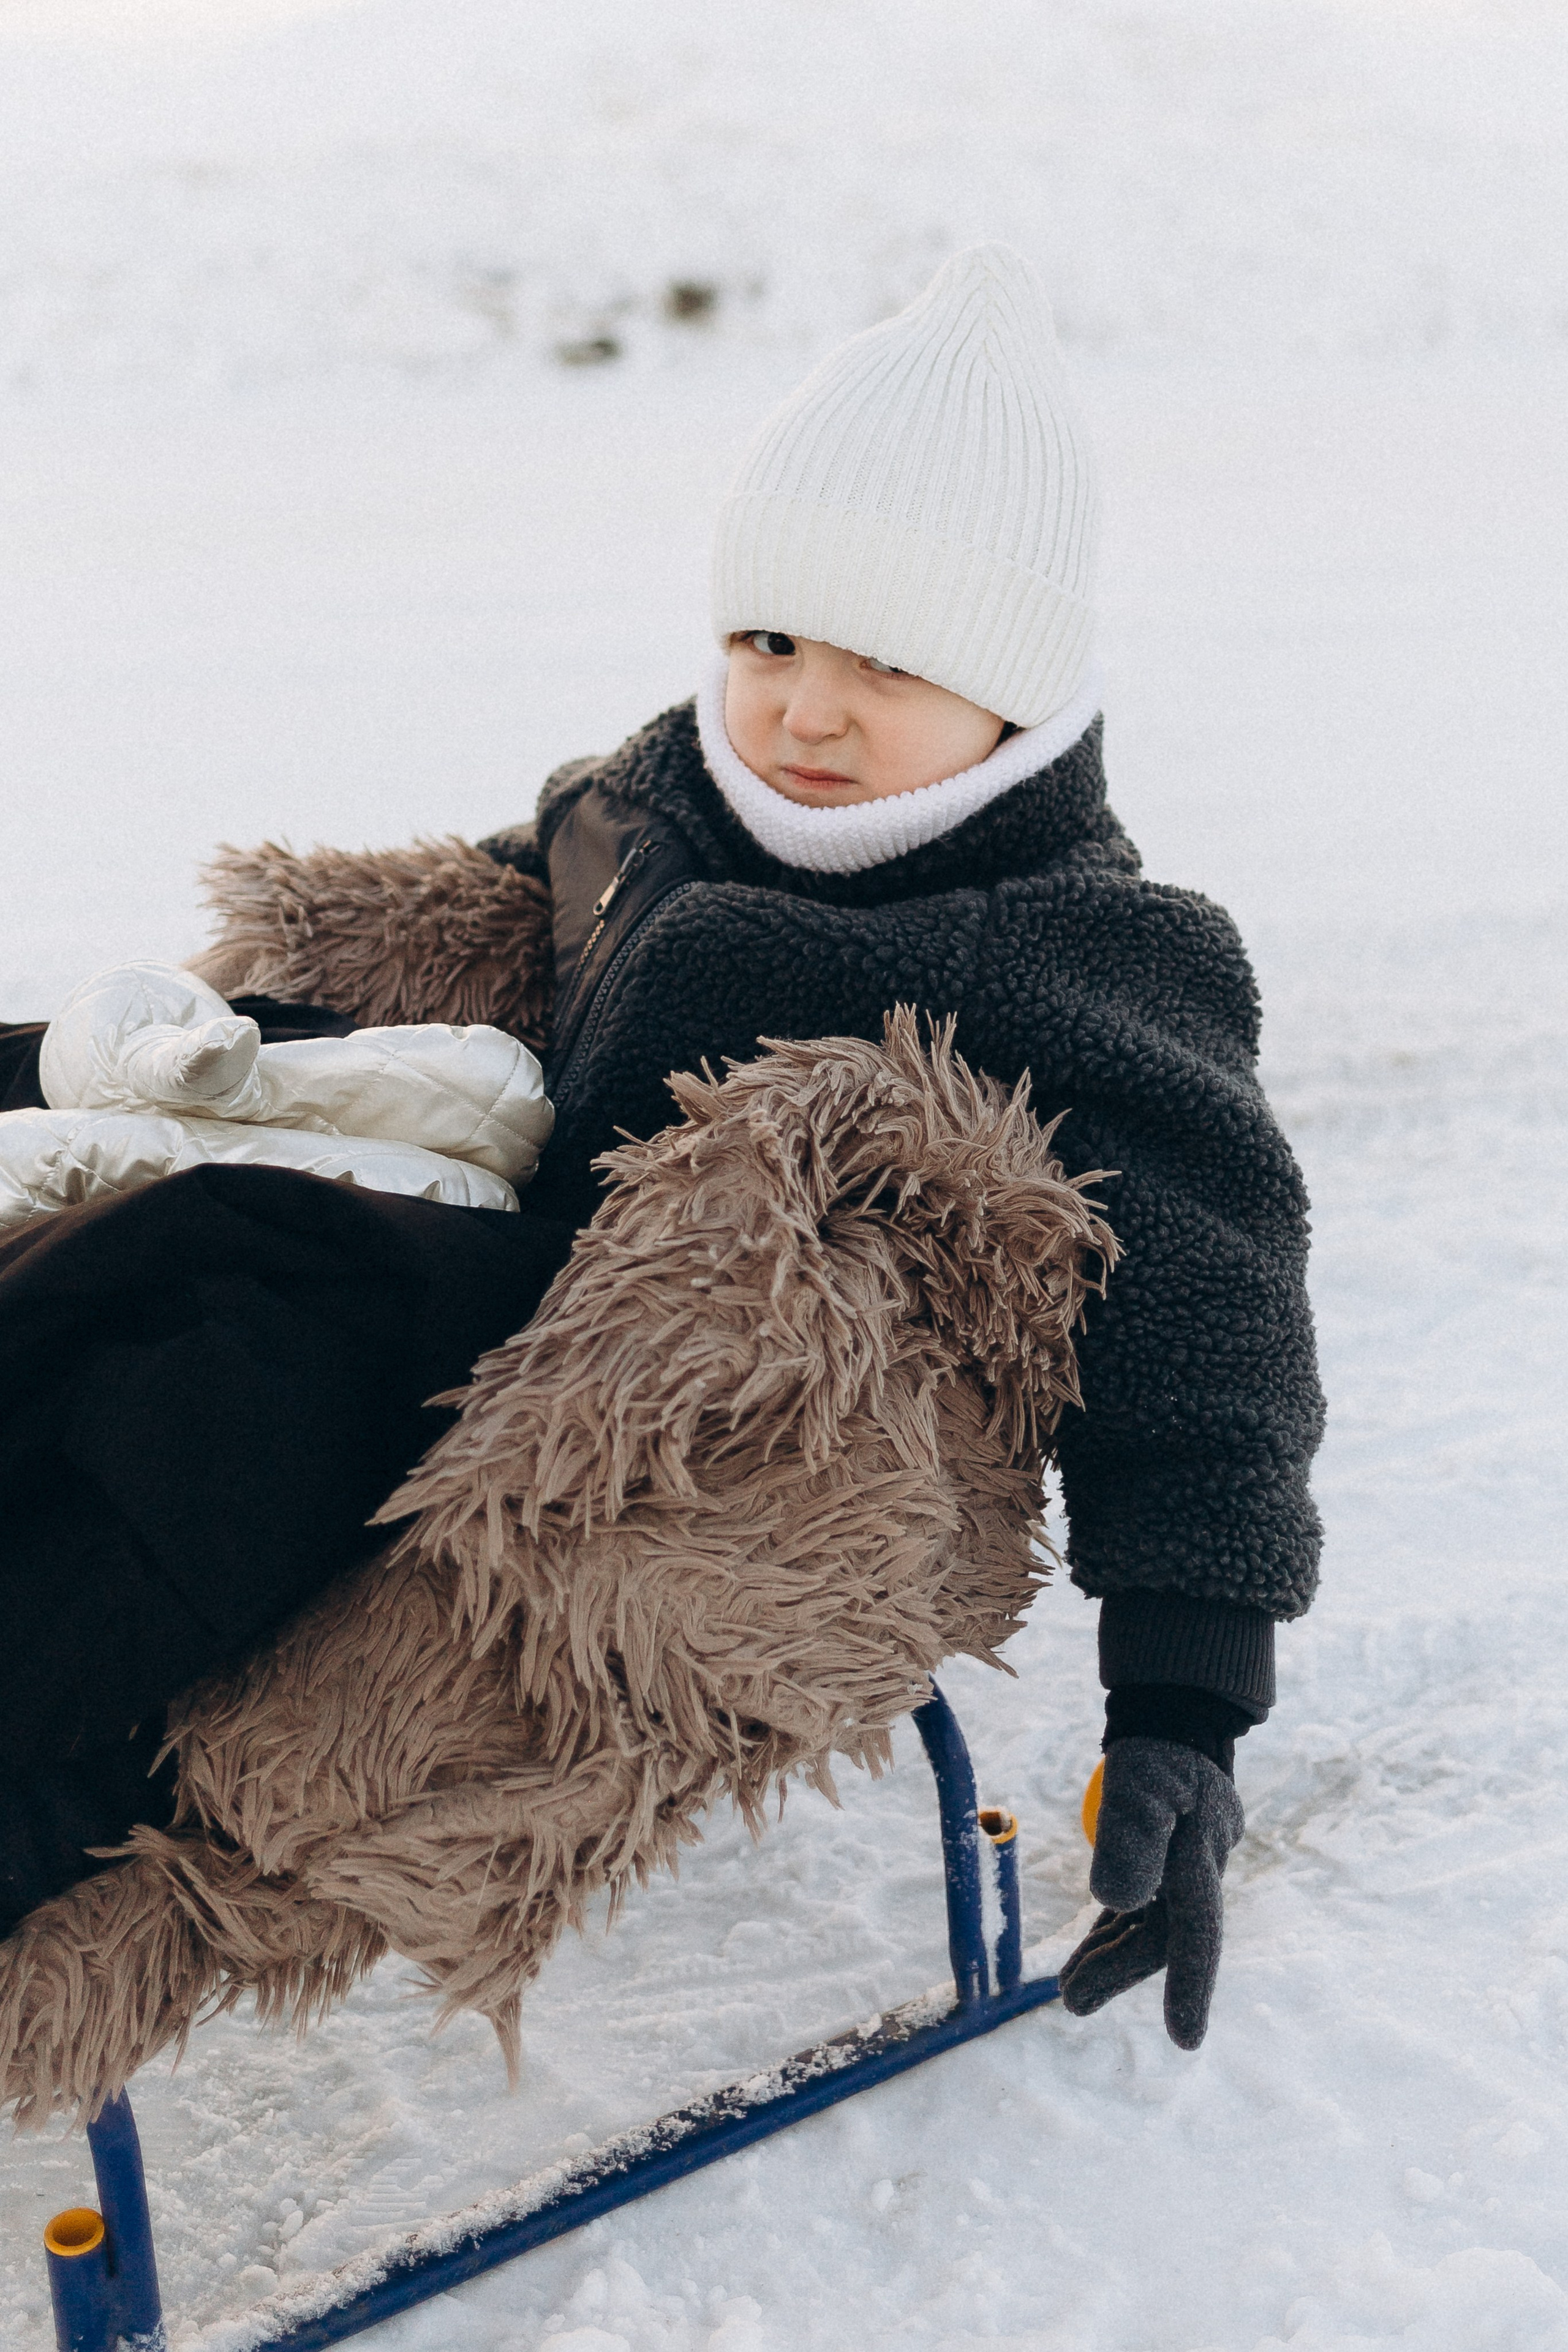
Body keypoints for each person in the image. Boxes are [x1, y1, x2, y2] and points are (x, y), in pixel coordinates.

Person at [2, 245, 1323, 2052]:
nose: (808, 709)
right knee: (78, 1101)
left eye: (893, 661)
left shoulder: (1096, 955)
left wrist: (1186, 1701)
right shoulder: (657, 798)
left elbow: (1214, 1330)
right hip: (504, 1178)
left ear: (1016, 695)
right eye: (770, 639)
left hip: (644, 1385)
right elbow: (504, 909)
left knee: (234, 1299)